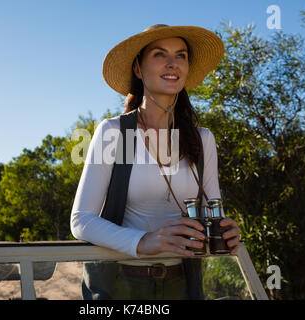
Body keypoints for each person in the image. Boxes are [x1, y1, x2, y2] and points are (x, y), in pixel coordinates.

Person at [70, 24, 241, 299]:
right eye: (160, 54)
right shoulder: (118, 134)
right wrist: (145, 241)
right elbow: (81, 221)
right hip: (122, 283)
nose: (172, 63)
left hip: (184, 285)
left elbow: (213, 209)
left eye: (181, 55)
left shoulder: (201, 139)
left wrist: (226, 230)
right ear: (138, 69)